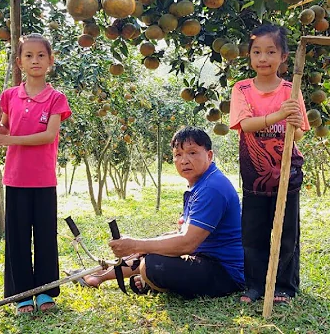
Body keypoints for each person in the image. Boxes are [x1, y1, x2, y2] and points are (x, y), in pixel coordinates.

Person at [72, 127, 244, 299]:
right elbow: (183, 234)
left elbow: (187, 244)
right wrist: (141, 246)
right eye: (178, 155)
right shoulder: (202, 183)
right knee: (154, 246)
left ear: (209, 155)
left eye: (192, 153)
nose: (184, 160)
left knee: (153, 264)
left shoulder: (211, 188)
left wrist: (136, 245)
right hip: (204, 257)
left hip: (225, 271)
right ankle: (98, 277)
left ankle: (148, 281)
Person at [0, 33, 71, 314]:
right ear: (19, 62)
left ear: (50, 61)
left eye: (41, 56)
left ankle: (45, 293)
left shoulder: (56, 98)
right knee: (18, 238)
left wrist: (8, 140)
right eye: (29, 56)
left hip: (44, 179)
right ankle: (22, 296)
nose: (35, 60)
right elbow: (6, 130)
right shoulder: (9, 96)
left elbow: (48, 136)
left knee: (45, 237)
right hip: (16, 178)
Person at [229, 24, 309, 304]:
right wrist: (278, 115)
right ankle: (254, 286)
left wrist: (294, 121)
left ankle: (284, 286)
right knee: (253, 233)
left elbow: (298, 133)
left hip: (288, 173)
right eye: (257, 52)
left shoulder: (291, 89)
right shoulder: (241, 89)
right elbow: (245, 124)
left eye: (270, 51)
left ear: (284, 56)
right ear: (249, 56)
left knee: (287, 232)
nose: (263, 58)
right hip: (254, 173)